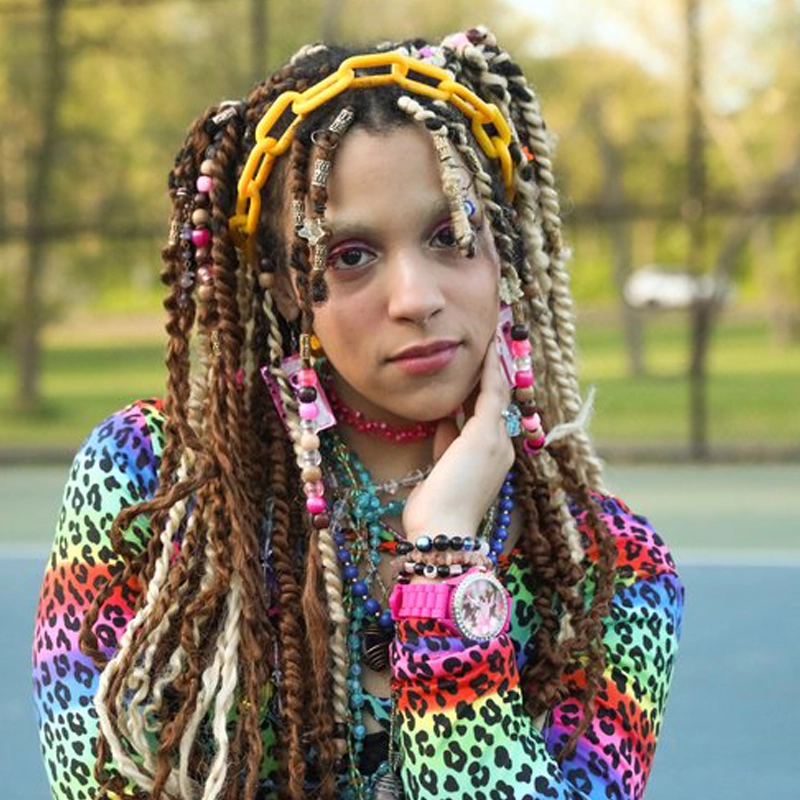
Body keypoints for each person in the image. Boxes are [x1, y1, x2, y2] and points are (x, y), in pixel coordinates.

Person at [31, 26, 683, 800]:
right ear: (281, 285)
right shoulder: (149, 479)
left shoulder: (617, 568)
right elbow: (93, 780)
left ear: (503, 249)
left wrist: (445, 560)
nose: (416, 298)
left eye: (452, 235)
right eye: (350, 255)